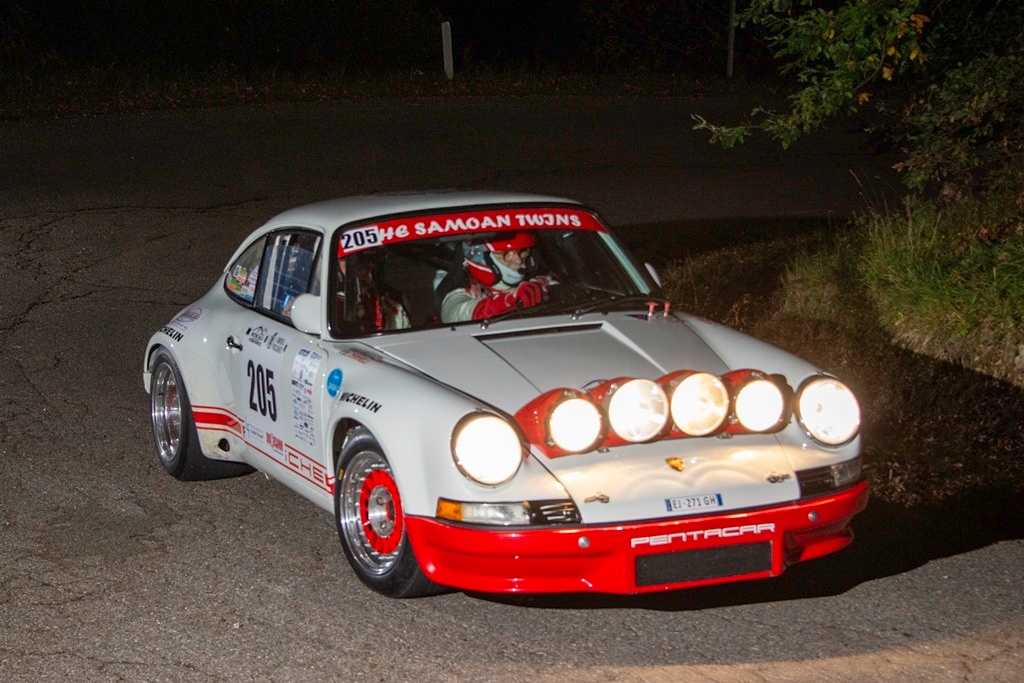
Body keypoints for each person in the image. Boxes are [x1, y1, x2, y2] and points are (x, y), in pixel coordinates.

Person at [440, 232, 553, 322]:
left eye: (522, 252)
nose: (518, 261)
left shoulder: (537, 283)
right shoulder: (460, 295)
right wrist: (508, 301)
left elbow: (563, 292)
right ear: (481, 257)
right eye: (507, 255)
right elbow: (459, 314)